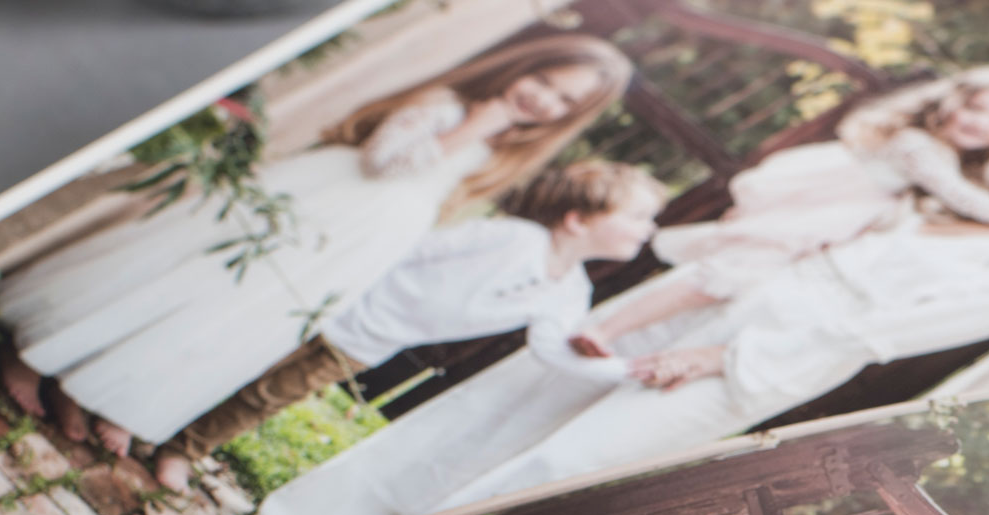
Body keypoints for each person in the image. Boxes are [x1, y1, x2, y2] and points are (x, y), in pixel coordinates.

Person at [254, 109, 989, 515]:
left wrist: (718, 355)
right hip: (734, 288)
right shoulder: (969, 202)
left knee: (558, 463)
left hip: (762, 357)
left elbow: (881, 334)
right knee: (515, 398)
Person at [0, 35, 632, 461]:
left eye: (563, 101)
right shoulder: (451, 106)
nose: (543, 99)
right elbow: (386, 161)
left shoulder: (501, 150)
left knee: (227, 313)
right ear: (525, 64)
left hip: (354, 242)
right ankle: (33, 354)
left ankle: (90, 385)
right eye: (545, 80)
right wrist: (473, 124)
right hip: (325, 201)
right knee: (190, 276)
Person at [148, 158, 669, 494]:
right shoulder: (512, 239)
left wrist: (628, 370)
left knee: (268, 396)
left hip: (368, 343)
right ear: (578, 219)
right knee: (230, 357)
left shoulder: (569, 292)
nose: (648, 230)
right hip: (335, 304)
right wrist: (339, 281)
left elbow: (552, 348)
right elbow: (413, 250)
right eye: (638, 216)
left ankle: (182, 448)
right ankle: (146, 415)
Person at [578, 66, 989, 352]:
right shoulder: (918, 146)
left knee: (731, 278)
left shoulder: (942, 155)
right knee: (724, 274)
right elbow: (961, 197)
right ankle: (606, 330)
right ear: (950, 102)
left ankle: (618, 333)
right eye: (975, 107)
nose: (982, 122)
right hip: (820, 212)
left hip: (834, 219)